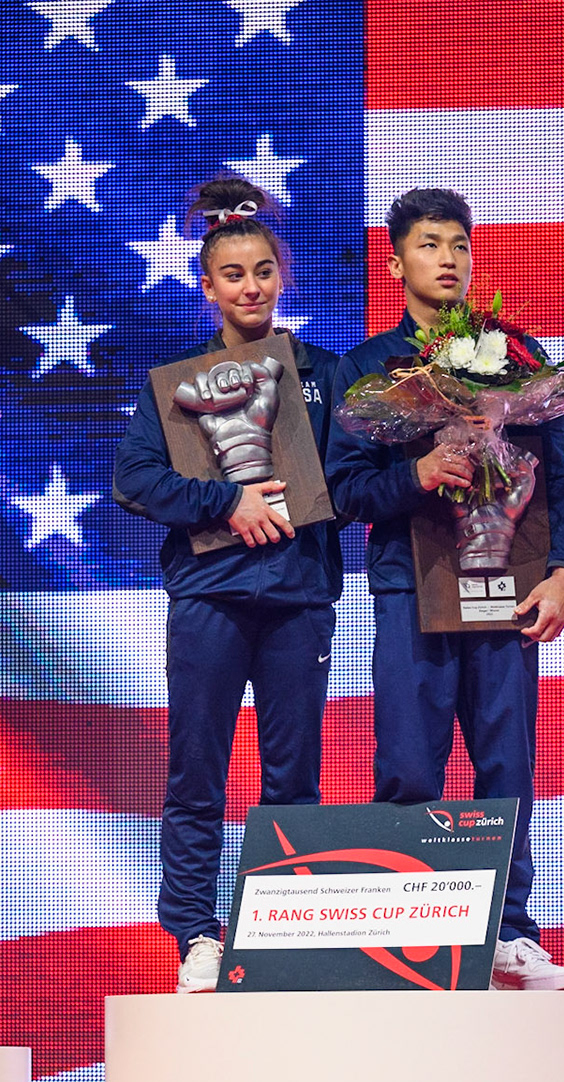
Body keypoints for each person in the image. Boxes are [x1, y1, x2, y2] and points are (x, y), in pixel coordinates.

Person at [325, 188, 564, 991]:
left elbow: (556, 482)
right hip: (412, 587)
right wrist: (417, 473)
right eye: (431, 245)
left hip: (506, 584)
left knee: (507, 761)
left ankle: (509, 930)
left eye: (460, 245)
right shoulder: (369, 369)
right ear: (396, 261)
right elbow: (344, 492)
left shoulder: (519, 358)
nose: (449, 259)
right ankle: (413, 927)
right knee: (408, 761)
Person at [112, 178, 343, 994]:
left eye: (263, 271)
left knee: (293, 779)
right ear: (205, 286)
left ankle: (281, 930)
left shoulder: (323, 374)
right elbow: (133, 479)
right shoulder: (175, 385)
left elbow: (353, 478)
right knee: (196, 774)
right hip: (208, 598)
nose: (251, 286)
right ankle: (195, 937)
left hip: (299, 600)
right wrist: (228, 502)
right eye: (233, 274)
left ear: (284, 277)